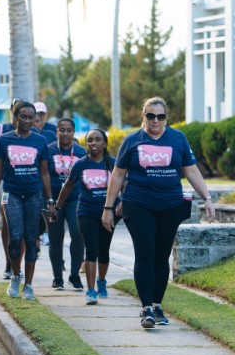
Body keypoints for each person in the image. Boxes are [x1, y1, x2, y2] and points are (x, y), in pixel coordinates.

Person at [103, 97, 216, 328]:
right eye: (151, 115)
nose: (156, 120)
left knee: (161, 255)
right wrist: (108, 207)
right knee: (145, 253)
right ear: (143, 116)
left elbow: (191, 170)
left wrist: (207, 198)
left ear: (166, 117)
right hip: (138, 204)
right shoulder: (132, 140)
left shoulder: (178, 138)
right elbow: (118, 174)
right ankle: (146, 309)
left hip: (170, 206)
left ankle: (157, 304)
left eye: (160, 116)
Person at [0, 101, 54, 300]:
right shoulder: (4, 140)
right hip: (12, 194)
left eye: (30, 117)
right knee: (15, 237)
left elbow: (44, 173)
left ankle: (29, 286)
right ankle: (16, 276)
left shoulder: (40, 141)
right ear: (15, 118)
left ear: (35, 119)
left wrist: (50, 199)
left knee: (31, 239)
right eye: (23, 116)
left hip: (34, 194)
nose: (27, 120)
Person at [56, 129, 122, 305]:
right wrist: (58, 206)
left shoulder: (113, 164)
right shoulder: (81, 164)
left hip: (109, 213)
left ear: (105, 143)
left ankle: (102, 281)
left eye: (97, 140)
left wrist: (123, 202)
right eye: (90, 140)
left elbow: (124, 184)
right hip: (86, 211)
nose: (93, 143)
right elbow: (68, 187)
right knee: (91, 250)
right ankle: (91, 290)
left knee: (104, 250)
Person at [46, 118, 87, 291]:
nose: (65, 133)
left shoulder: (80, 151)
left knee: (78, 233)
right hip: (53, 200)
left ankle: (74, 275)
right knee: (55, 238)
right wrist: (48, 200)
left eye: (69, 130)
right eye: (61, 130)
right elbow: (44, 176)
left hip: (74, 198)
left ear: (73, 132)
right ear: (57, 131)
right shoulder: (48, 150)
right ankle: (57, 278)